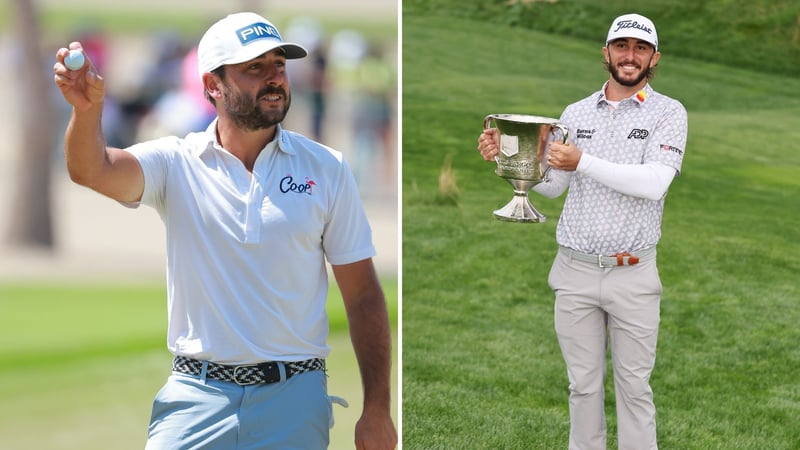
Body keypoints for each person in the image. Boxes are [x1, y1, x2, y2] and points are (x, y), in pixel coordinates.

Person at [54, 12, 397, 450]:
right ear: (212, 85)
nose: (274, 78)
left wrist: (377, 409)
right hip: (196, 396)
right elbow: (91, 170)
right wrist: (86, 112)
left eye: (278, 65)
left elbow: (364, 295)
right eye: (254, 68)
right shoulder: (176, 162)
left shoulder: (327, 168)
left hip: (294, 398)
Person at [477, 13, 687, 450]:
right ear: (605, 52)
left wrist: (583, 161)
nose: (630, 56)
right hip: (574, 270)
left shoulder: (669, 113)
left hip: (632, 273)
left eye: (640, 48)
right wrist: (508, 159)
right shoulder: (575, 113)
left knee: (634, 391)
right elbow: (553, 186)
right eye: (622, 46)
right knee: (583, 388)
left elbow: (654, 184)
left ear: (654, 58)